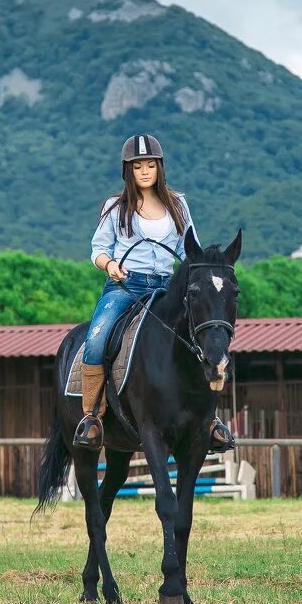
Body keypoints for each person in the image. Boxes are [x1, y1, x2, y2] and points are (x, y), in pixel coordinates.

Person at [75, 133, 236, 452]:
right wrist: (109, 266)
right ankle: (92, 417)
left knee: (203, 340)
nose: (145, 171)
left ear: (159, 168)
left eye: (151, 165)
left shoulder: (178, 204)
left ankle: (209, 418)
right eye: (138, 166)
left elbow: (190, 248)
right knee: (96, 339)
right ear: (128, 171)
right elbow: (98, 248)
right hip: (127, 286)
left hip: (167, 286)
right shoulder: (114, 206)